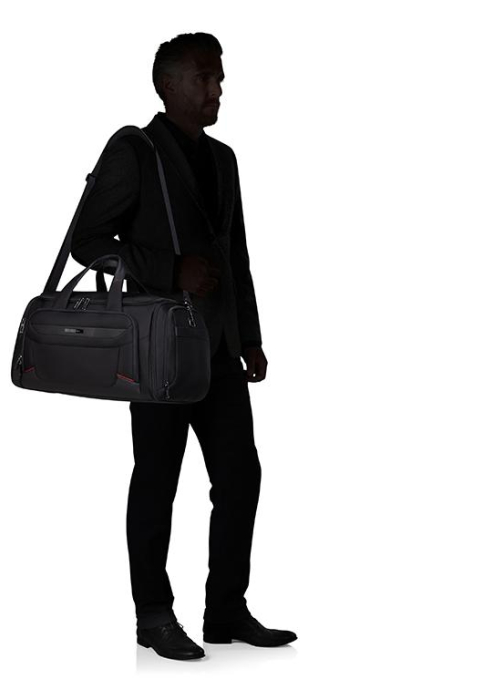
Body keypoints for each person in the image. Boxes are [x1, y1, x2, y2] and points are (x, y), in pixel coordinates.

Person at [71, 32, 297, 661]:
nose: (217, 88)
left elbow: (236, 253)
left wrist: (250, 335)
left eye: (219, 76)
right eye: (205, 77)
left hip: (219, 347)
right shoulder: (134, 150)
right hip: (158, 349)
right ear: (168, 85)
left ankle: (225, 609)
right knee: (157, 482)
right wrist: (170, 270)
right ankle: (152, 615)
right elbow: (88, 239)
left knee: (241, 477)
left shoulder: (224, 159)